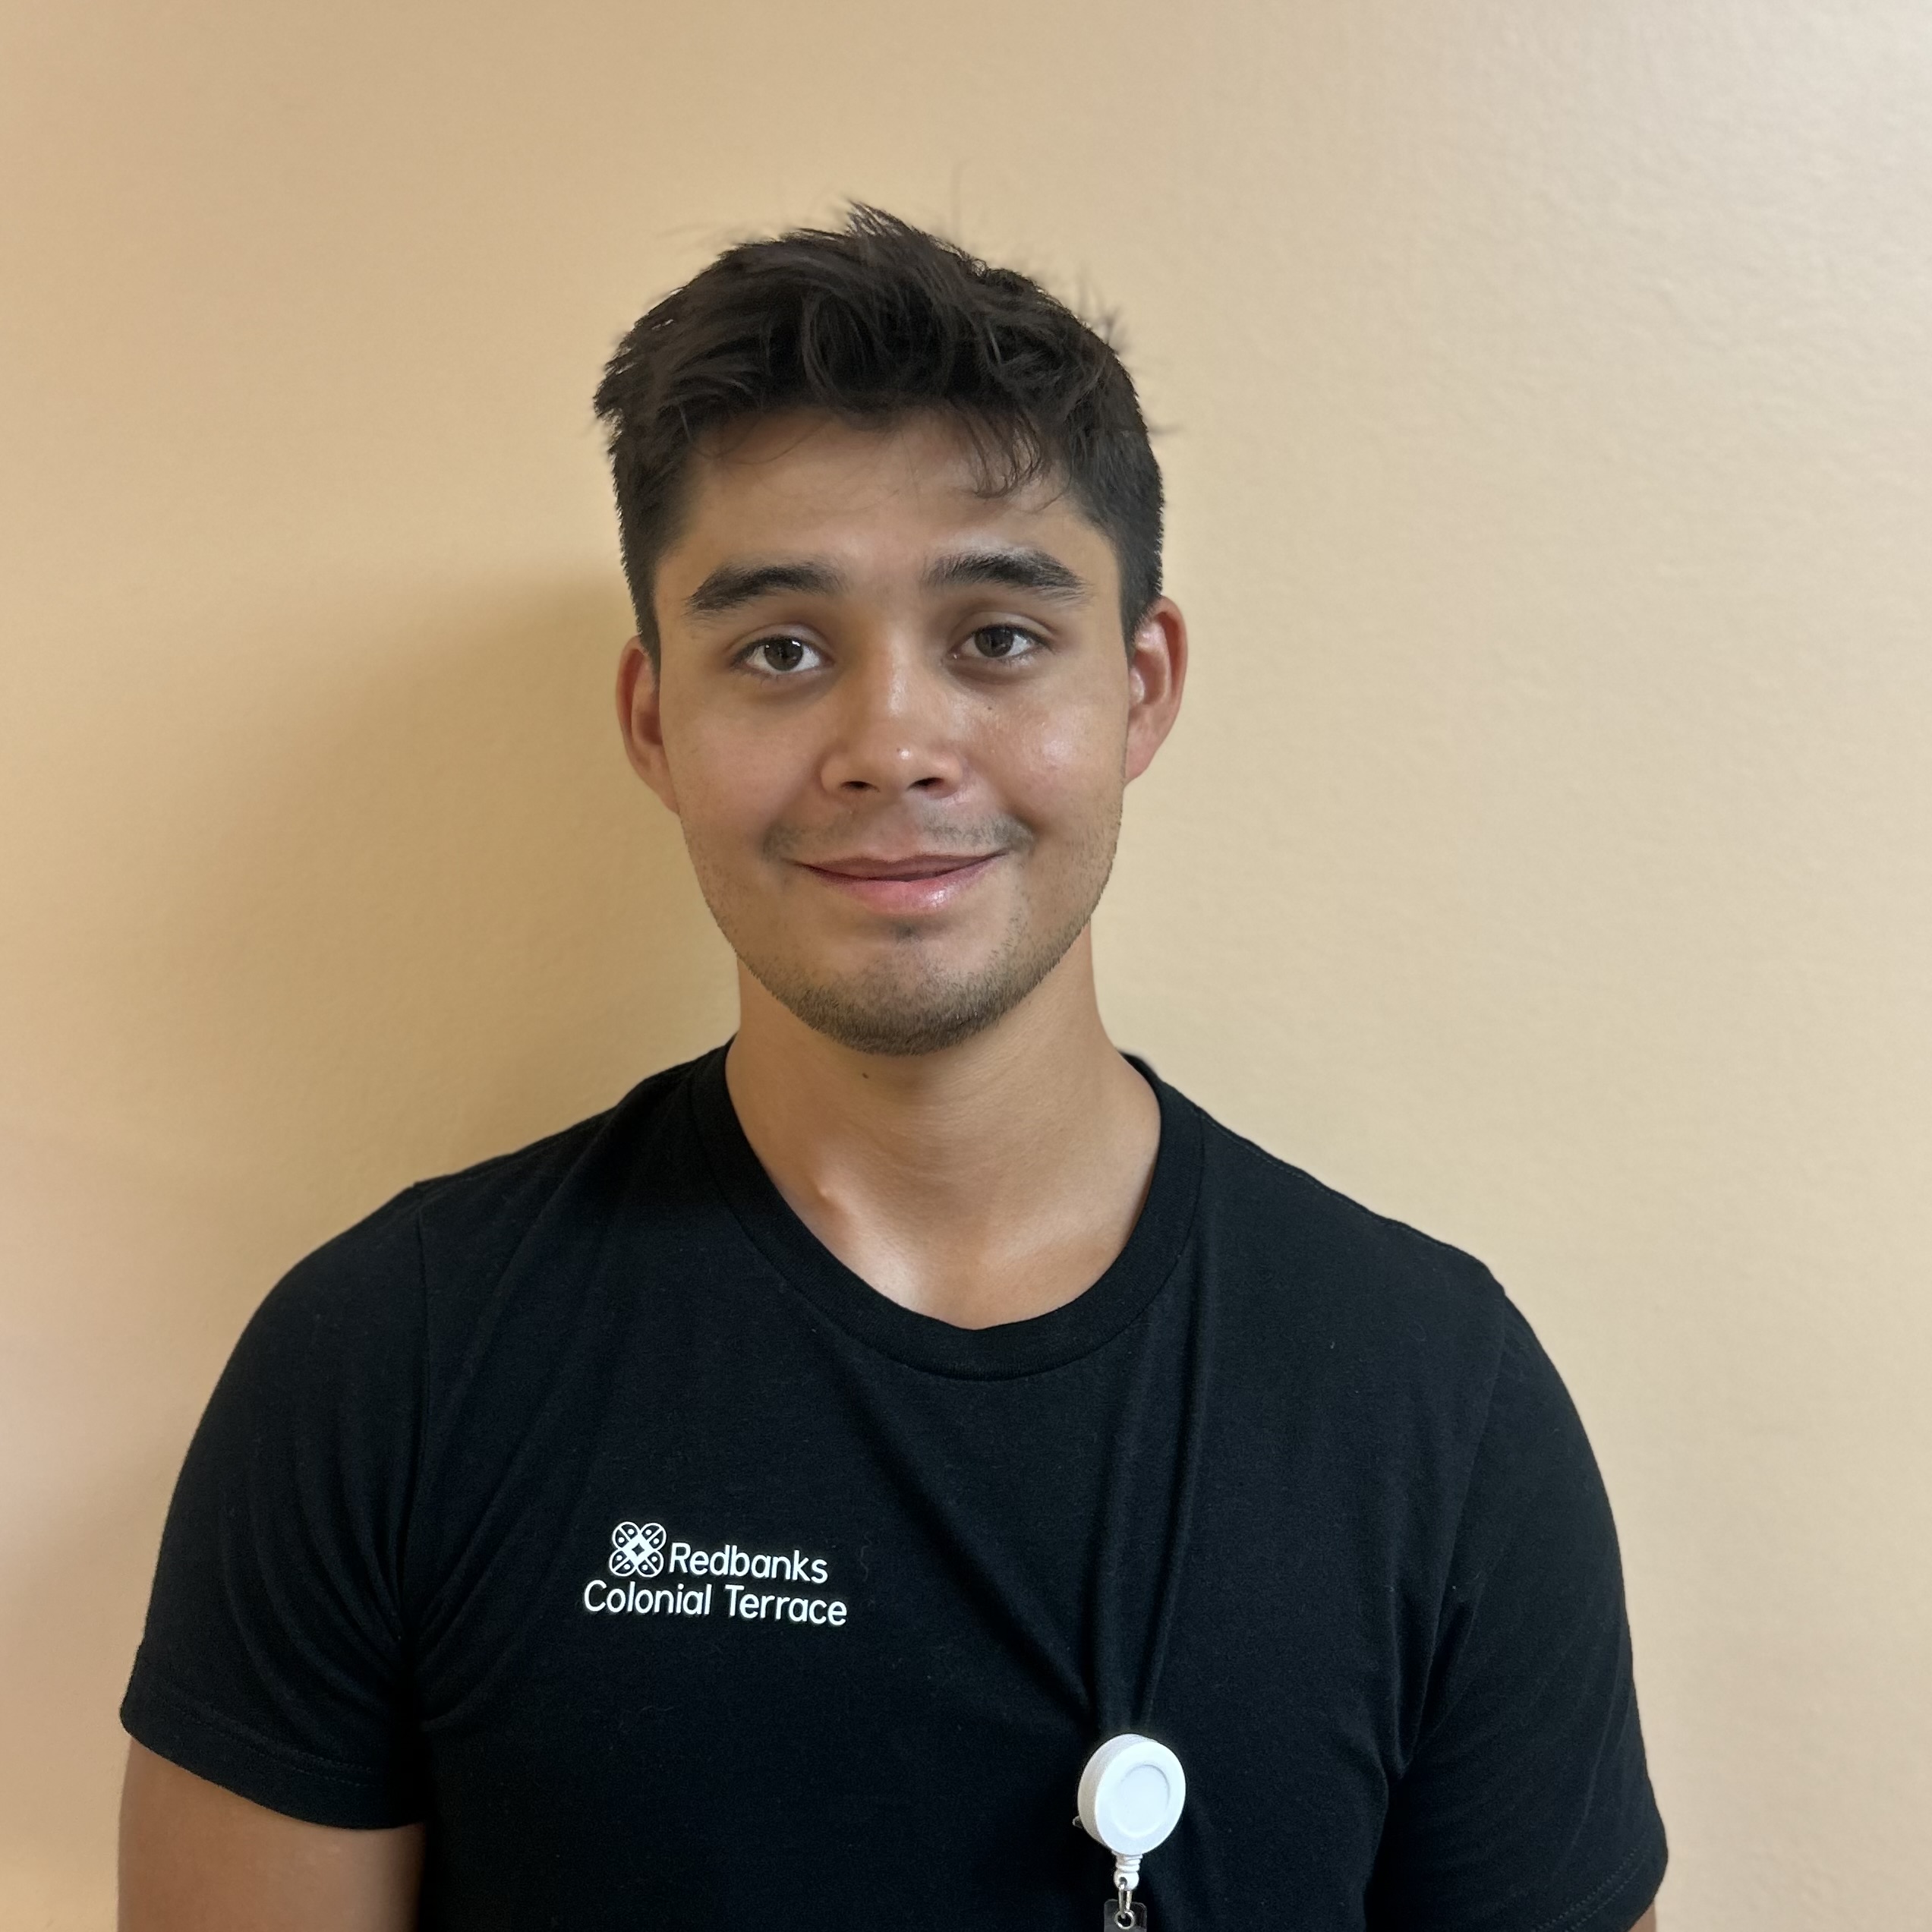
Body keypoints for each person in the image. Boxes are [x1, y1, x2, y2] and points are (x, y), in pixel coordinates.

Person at [118, 207, 1667, 1931]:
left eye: (997, 636)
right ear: (654, 717)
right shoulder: (386, 1367)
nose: (892, 746)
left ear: (1141, 687)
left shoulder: (1435, 1402)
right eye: (780, 648)